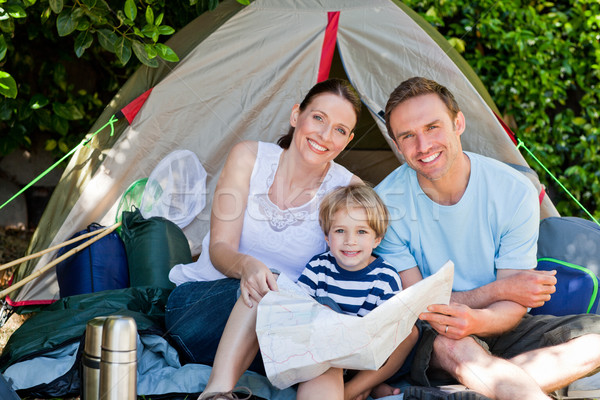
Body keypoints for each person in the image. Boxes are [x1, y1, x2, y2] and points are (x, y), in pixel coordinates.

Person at [374, 76, 600, 400]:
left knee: (595, 342)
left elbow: (514, 304)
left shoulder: (512, 191)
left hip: (500, 323)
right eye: (408, 136)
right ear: (396, 144)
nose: (423, 146)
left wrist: (480, 315)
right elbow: (420, 306)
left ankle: (476, 388)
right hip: (439, 333)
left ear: (458, 123)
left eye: (433, 127)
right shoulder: (385, 205)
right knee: (454, 344)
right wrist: (498, 290)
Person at [164, 78, 363, 399]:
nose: (325, 136)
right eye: (318, 118)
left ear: (348, 140)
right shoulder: (249, 158)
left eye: (340, 130)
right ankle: (217, 394)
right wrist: (248, 267)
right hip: (202, 311)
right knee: (268, 286)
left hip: (281, 334)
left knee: (325, 322)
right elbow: (219, 249)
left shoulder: (347, 189)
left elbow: (353, 264)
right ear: (296, 115)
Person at [296, 184, 419, 400]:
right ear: (327, 237)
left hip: (367, 356)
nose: (350, 240)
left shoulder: (386, 276)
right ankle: (365, 387)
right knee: (321, 308)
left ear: (377, 239)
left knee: (409, 332)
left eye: (361, 231)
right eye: (340, 231)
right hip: (326, 356)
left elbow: (387, 332)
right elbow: (296, 312)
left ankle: (356, 388)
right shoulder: (318, 268)